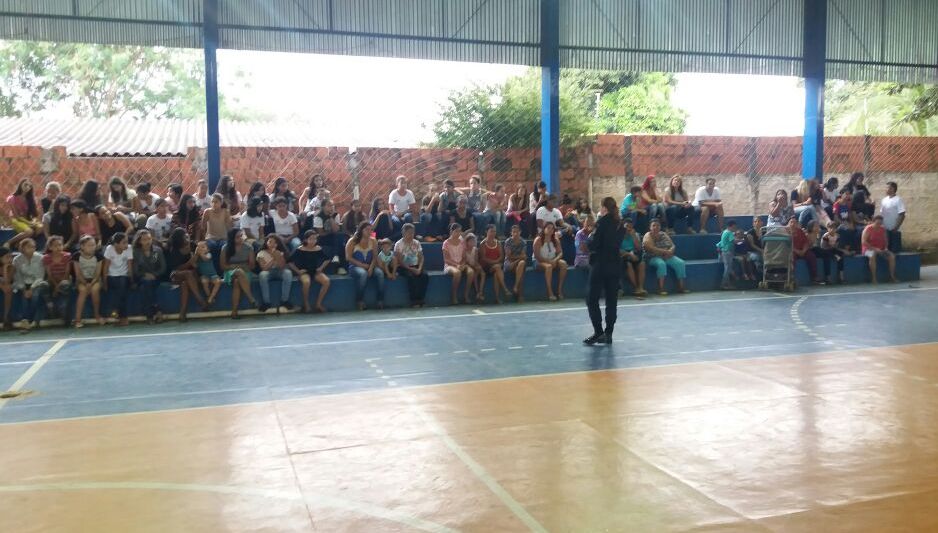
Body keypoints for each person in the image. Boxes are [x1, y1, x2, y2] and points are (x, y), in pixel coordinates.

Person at [584, 197, 625, 345]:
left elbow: (593, 244)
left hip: (600, 265)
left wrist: (589, 236)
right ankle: (609, 333)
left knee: (591, 299)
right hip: (614, 265)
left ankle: (598, 331)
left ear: (604, 208)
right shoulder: (620, 224)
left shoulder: (601, 223)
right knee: (611, 301)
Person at [165, 228, 208, 323]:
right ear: (179, 239)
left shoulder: (193, 245)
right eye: (184, 236)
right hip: (177, 274)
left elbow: (202, 256)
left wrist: (199, 254)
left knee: (185, 284)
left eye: (187, 234)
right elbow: (178, 268)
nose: (187, 236)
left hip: (191, 275)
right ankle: (200, 299)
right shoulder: (174, 250)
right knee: (187, 273)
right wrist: (193, 259)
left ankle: (182, 313)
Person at [346, 221, 385, 310]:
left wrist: (371, 268)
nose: (369, 232)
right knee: (363, 274)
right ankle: (360, 301)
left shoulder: (373, 241)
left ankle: (380, 300)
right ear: (361, 230)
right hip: (355, 267)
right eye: (367, 229)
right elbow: (348, 257)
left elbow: (375, 256)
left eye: (371, 230)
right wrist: (362, 265)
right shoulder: (352, 241)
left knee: (380, 273)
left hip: (370, 265)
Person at [642, 220, 689, 296]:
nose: (656, 227)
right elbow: (651, 248)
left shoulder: (663, 234)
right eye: (653, 225)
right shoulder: (647, 235)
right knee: (661, 264)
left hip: (667, 255)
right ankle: (660, 288)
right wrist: (665, 252)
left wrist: (670, 251)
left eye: (658, 225)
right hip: (653, 257)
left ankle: (681, 287)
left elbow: (672, 245)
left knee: (680, 263)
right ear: (650, 227)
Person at [289, 230, 331, 313]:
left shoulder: (318, 248)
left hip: (315, 271)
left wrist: (321, 268)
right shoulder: (300, 249)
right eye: (311, 239)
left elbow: (327, 259)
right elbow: (289, 261)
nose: (313, 241)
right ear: (305, 239)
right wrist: (298, 271)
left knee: (326, 281)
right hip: (304, 272)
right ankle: (306, 304)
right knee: (306, 282)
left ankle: (318, 304)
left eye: (315, 239)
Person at [220, 228, 257, 319]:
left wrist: (238, 266)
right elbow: (223, 266)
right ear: (232, 238)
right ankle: (251, 298)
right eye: (237, 237)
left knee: (237, 282)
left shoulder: (248, 247)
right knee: (238, 271)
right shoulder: (225, 248)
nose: (240, 238)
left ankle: (234, 312)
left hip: (245, 272)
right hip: (229, 272)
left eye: (241, 236)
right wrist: (236, 267)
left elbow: (252, 266)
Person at [131, 229, 166, 323]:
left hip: (156, 277)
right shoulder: (136, 252)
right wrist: (145, 274)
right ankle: (157, 310)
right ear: (139, 241)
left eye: (149, 239)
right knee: (146, 283)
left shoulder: (157, 251)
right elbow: (135, 270)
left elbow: (163, 267)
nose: (148, 242)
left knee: (145, 287)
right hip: (141, 278)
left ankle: (149, 315)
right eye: (144, 239)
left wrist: (154, 275)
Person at [12, 238, 48, 330]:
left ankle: (28, 320)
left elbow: (40, 276)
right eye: (29, 247)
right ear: (22, 248)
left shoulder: (40, 258)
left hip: (37, 283)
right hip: (23, 284)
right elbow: (17, 276)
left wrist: (31, 288)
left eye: (33, 247)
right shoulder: (17, 260)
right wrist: (24, 289)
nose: (32, 249)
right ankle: (26, 320)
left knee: (35, 295)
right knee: (24, 297)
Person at [393, 223, 429, 307]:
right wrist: (412, 269)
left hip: (416, 265)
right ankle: (413, 300)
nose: (411, 234)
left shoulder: (417, 242)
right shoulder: (398, 244)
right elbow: (400, 261)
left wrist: (419, 268)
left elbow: (421, 257)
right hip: (403, 267)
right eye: (409, 232)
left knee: (425, 276)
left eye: (413, 232)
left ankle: (421, 299)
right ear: (404, 233)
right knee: (410, 277)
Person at [256, 234, 294, 312]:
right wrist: (273, 258)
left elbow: (282, 266)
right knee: (262, 275)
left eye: (275, 242)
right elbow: (264, 268)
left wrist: (279, 257)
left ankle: (284, 300)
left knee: (288, 273)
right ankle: (266, 302)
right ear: (266, 242)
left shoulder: (281, 252)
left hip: (279, 271)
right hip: (268, 272)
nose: (272, 244)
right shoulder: (261, 253)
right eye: (270, 242)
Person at [103, 232, 133, 326]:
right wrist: (104, 282)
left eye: (127, 242)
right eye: (124, 242)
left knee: (122, 286)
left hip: (124, 275)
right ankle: (123, 317)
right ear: (116, 244)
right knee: (120, 289)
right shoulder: (109, 249)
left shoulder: (129, 248)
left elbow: (129, 267)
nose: (126, 245)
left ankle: (120, 315)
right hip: (111, 276)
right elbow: (106, 267)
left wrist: (131, 281)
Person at [533, 222, 567, 301]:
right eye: (548, 228)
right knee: (548, 267)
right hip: (539, 261)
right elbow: (537, 256)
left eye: (552, 228)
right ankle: (550, 292)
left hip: (553, 260)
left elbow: (560, 253)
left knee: (563, 264)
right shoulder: (538, 240)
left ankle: (559, 290)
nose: (550, 230)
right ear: (544, 229)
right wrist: (549, 261)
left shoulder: (555, 240)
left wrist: (555, 260)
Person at [42, 236, 72, 324]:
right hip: (52, 281)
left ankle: (64, 312)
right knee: (43, 285)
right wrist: (55, 286)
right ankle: (49, 305)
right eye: (55, 245)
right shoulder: (46, 257)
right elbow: (49, 274)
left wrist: (58, 287)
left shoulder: (67, 256)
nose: (58, 247)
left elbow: (67, 273)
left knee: (65, 284)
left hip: (64, 280)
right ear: (50, 247)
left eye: (60, 245)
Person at [6, 178, 43, 250]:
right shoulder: (12, 198)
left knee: (41, 227)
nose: (27, 187)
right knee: (29, 231)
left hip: (28, 220)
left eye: (29, 186)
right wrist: (29, 223)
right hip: (16, 220)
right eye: (25, 185)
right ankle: (8, 242)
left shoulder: (31, 199)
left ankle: (19, 243)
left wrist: (34, 221)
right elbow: (16, 216)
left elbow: (34, 214)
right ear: (20, 185)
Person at [477, 224, 509, 304]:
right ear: (486, 232)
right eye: (491, 231)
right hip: (486, 267)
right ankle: (505, 288)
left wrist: (496, 262)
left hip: (496, 266)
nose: (493, 233)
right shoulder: (482, 244)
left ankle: (497, 298)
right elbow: (483, 258)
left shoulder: (498, 243)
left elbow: (501, 256)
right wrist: (495, 262)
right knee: (497, 267)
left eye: (494, 231)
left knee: (496, 274)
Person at [861, 215, 897, 284]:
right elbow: (864, 242)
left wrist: (886, 248)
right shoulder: (868, 229)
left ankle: (892, 276)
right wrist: (874, 249)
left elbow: (886, 240)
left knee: (892, 256)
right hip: (868, 249)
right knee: (872, 255)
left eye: (880, 223)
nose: (879, 225)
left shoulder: (883, 229)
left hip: (881, 249)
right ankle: (874, 278)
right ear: (873, 222)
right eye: (877, 223)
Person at [442, 223, 471, 305]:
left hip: (461, 264)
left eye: (460, 231)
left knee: (471, 272)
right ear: (451, 231)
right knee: (457, 273)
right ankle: (454, 296)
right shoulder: (446, 243)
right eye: (456, 231)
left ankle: (466, 295)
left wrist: (462, 264)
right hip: (449, 266)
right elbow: (446, 260)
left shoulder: (462, 242)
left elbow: (464, 257)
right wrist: (457, 265)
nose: (458, 233)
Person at [201, 193, 233, 263]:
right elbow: (203, 227)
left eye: (216, 202)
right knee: (213, 246)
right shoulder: (207, 212)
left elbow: (229, 227)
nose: (213, 204)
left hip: (223, 238)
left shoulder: (225, 212)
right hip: (210, 238)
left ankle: (221, 266)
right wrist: (203, 239)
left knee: (223, 247)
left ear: (221, 203)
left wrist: (230, 239)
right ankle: (216, 266)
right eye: (212, 202)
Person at [788, 217, 821, 284]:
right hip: (793, 251)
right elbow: (787, 245)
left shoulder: (800, 231)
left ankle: (814, 277)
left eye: (795, 222)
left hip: (802, 251)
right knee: (791, 257)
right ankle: (791, 277)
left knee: (811, 256)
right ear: (788, 223)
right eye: (791, 222)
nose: (793, 224)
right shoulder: (786, 232)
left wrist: (803, 250)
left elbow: (806, 242)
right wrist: (797, 251)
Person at [619, 218, 646, 297]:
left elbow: (639, 248)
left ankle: (641, 287)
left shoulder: (635, 234)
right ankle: (636, 288)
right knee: (629, 265)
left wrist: (633, 236)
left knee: (642, 263)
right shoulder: (618, 235)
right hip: (624, 255)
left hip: (634, 253)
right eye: (627, 226)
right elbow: (618, 250)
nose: (628, 228)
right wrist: (629, 254)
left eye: (630, 227)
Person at [816, 220, 847, 285]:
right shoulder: (825, 236)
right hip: (825, 250)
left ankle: (841, 277)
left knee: (841, 255)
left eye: (834, 228)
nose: (832, 229)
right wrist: (832, 249)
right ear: (828, 228)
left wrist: (841, 250)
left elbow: (836, 246)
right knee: (827, 257)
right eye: (830, 228)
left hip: (832, 249)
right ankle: (828, 278)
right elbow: (824, 246)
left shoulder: (837, 236)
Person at [503, 224, 528, 302]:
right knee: (521, 272)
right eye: (514, 232)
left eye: (517, 232)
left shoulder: (523, 242)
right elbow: (509, 256)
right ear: (511, 233)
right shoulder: (508, 241)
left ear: (520, 232)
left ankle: (516, 286)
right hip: (509, 263)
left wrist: (517, 260)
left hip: (518, 263)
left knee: (522, 264)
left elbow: (523, 256)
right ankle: (520, 296)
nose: (515, 233)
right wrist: (518, 258)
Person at [879, 181, 906, 253]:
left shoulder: (898, 200)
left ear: (893, 189)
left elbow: (902, 214)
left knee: (894, 251)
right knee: (886, 250)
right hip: (885, 230)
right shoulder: (884, 200)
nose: (886, 189)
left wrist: (896, 227)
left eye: (888, 188)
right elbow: (881, 214)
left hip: (894, 230)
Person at [194, 240, 222, 307]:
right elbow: (194, 264)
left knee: (218, 282)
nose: (201, 249)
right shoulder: (197, 257)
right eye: (199, 247)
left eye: (203, 247)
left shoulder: (209, 254)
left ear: (208, 249)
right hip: (204, 275)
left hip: (213, 274)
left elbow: (205, 259)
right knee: (204, 282)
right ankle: (209, 296)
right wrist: (196, 254)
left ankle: (212, 297)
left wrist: (200, 253)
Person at [717, 220, 739, 290]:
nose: (735, 228)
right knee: (727, 268)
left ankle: (727, 284)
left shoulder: (724, 232)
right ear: (732, 226)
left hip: (724, 252)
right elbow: (734, 241)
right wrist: (742, 240)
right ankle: (724, 284)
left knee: (728, 268)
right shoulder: (729, 233)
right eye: (734, 227)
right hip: (728, 252)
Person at [463, 233, 481, 301]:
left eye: (474, 241)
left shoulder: (475, 249)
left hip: (474, 265)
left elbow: (476, 261)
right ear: (467, 242)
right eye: (471, 241)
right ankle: (475, 292)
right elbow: (465, 261)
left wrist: (476, 266)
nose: (472, 243)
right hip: (467, 265)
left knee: (481, 274)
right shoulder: (464, 250)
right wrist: (472, 266)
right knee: (473, 273)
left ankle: (479, 292)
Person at [0, 248, 14, 330]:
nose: (10, 259)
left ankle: (6, 318)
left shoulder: (12, 267)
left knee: (9, 290)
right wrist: (2, 286)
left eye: (11, 257)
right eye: (7, 257)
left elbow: (7, 281)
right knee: (7, 289)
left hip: (5, 285)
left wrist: (5, 267)